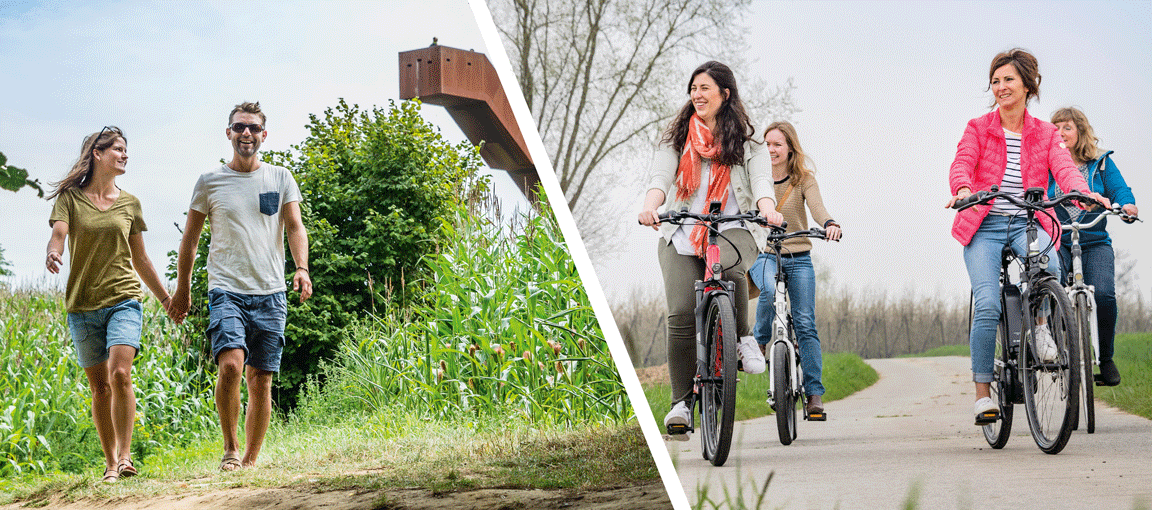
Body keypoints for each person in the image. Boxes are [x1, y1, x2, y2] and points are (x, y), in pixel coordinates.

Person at [946, 49, 1108, 425]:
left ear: (1027, 86)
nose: (1000, 87)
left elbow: (1065, 170)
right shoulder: (978, 128)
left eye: (1008, 80)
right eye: (996, 81)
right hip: (983, 224)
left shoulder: (1047, 133)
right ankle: (983, 395)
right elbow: (963, 161)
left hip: (1027, 221)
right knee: (987, 303)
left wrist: (1083, 193)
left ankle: (1038, 330)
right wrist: (963, 187)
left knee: (1049, 265)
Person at [637, 61, 783, 440]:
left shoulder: (748, 146)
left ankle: (743, 336)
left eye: (705, 88)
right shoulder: (677, 140)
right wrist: (652, 205)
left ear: (725, 94)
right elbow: (659, 177)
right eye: (693, 89)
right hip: (682, 231)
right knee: (682, 312)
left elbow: (762, 181)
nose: (697, 95)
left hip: (732, 227)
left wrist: (767, 208)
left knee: (730, 272)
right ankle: (680, 404)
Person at [168, 102, 313, 471]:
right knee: (231, 366)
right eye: (238, 127)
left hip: (270, 291)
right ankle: (231, 448)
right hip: (226, 288)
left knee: (261, 378)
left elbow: (295, 226)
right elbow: (190, 240)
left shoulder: (280, 178)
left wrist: (302, 268)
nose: (245, 134)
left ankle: (249, 460)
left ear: (263, 135)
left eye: (252, 128)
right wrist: (182, 289)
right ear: (228, 133)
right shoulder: (209, 182)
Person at [45, 126, 172, 482]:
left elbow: (142, 259)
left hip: (124, 299)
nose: (125, 154)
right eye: (117, 148)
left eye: (126, 149)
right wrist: (53, 252)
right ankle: (111, 462)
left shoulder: (131, 204)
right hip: (82, 305)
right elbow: (58, 233)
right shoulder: (70, 198)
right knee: (99, 387)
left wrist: (165, 299)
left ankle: (126, 456)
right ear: (98, 154)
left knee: (120, 373)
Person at [748, 121, 841, 416]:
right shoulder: (756, 178)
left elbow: (817, 207)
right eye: (768, 144)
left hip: (798, 255)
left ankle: (814, 394)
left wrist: (828, 223)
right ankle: (759, 344)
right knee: (767, 290)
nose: (771, 150)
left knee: (804, 322)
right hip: (764, 253)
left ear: (790, 148)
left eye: (778, 144)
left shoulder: (803, 179)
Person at [1048, 106, 1138, 386]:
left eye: (1068, 127)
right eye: (1057, 128)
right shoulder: (1048, 162)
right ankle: (1053, 348)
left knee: (1105, 296)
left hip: (1095, 241)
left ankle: (1106, 357)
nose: (1061, 133)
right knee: (1050, 289)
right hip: (1058, 241)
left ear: (1080, 131)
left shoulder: (1100, 162)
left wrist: (1127, 205)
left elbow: (1119, 189)